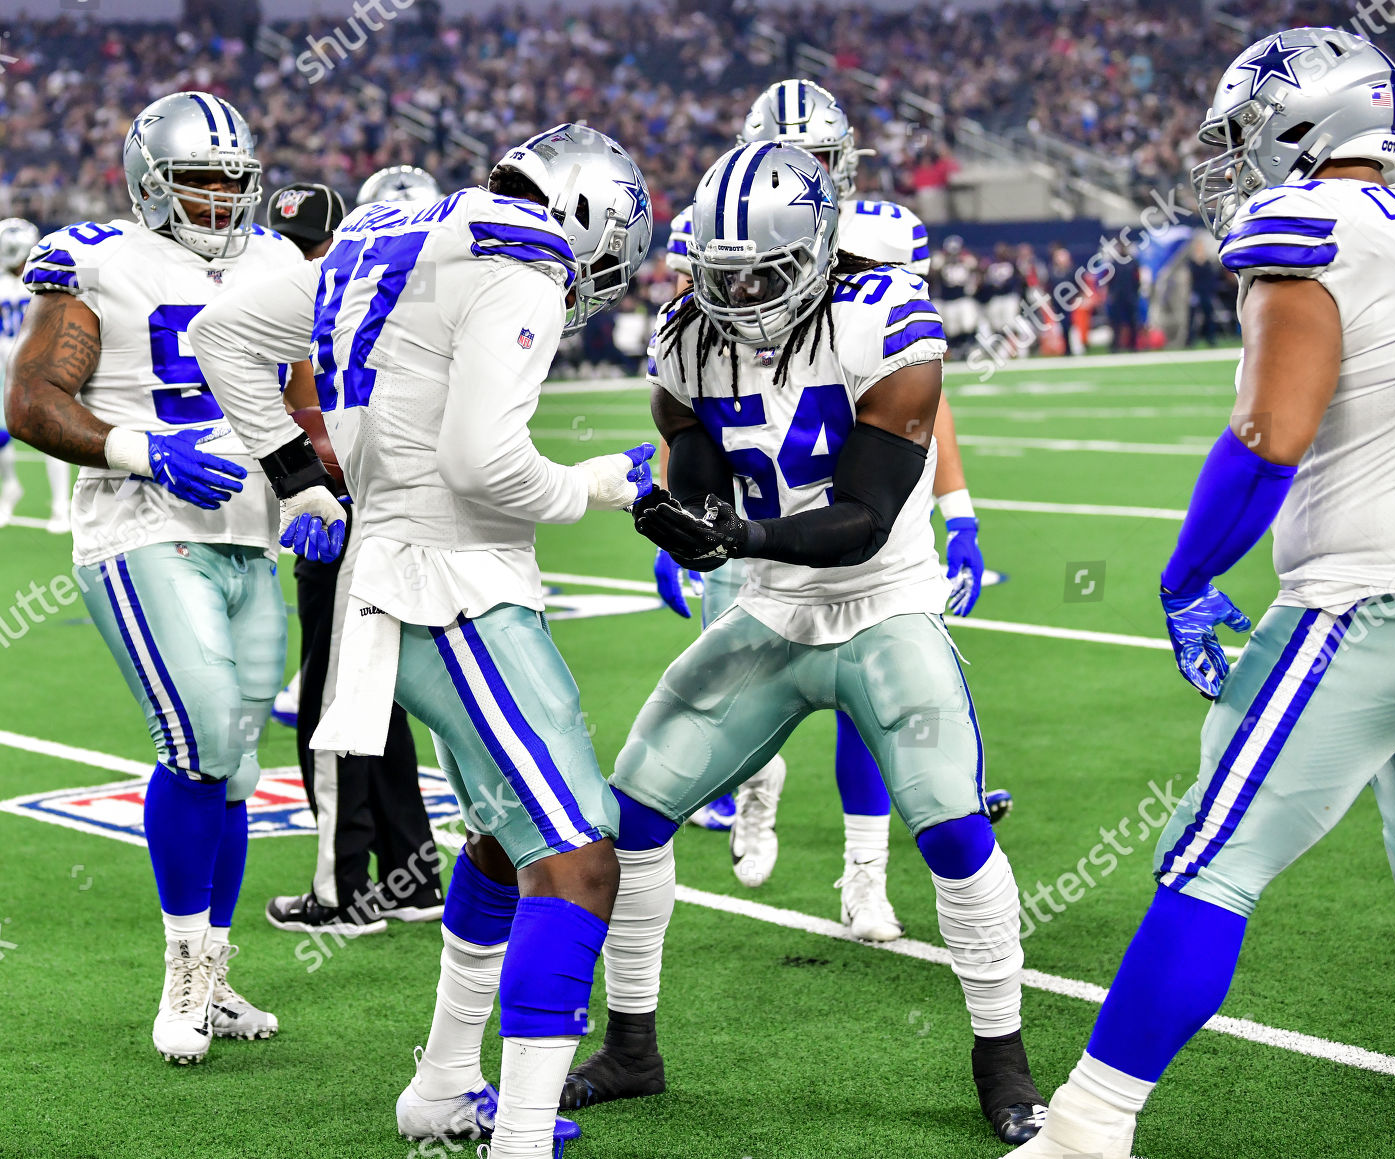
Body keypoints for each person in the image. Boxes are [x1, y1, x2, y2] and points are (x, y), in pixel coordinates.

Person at [1013, 29, 1395, 1158]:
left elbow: (1267, 436)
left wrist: (1187, 576)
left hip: (1371, 603)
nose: (1230, 160)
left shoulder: (1308, 231)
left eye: (1243, 134)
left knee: (1209, 858)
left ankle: (1086, 1127)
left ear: (1303, 124)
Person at [563, 141, 1046, 1145]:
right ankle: (633, 1043)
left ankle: (1003, 1054)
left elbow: (865, 514)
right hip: (772, 607)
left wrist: (741, 538)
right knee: (636, 809)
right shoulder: (687, 333)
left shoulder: (888, 319)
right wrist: (687, 517)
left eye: (760, 270)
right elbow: (699, 463)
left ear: (820, 251)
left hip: (881, 605)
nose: (736, 292)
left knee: (953, 825)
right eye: (719, 269)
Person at [188, 124, 656, 1155]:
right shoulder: (521, 259)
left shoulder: (390, 225)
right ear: (585, 216)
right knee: (580, 858)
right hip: (452, 584)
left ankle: (443, 1089)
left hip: (393, 562)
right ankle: (523, 1134)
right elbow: (485, 461)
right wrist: (596, 486)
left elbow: (220, 331)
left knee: (501, 839)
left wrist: (296, 472)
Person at [653, 79, 1000, 944]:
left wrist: (958, 508)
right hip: (756, 512)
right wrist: (676, 502)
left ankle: (863, 875)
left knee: (866, 705)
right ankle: (754, 797)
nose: (804, 175)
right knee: (738, 704)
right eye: (790, 156)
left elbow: (918, 400)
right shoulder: (712, 230)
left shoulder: (881, 250)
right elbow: (697, 385)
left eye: (821, 160)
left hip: (862, 528)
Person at [2, 91, 301, 1064]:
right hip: (141, 525)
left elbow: (304, 396)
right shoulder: (96, 256)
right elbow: (34, 399)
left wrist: (316, 492)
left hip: (251, 530)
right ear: (148, 182)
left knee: (239, 766)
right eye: (198, 180)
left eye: (233, 180)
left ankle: (215, 973)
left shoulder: (277, 260)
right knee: (203, 734)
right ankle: (179, 967)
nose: (219, 199)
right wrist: (141, 448)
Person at [253, 181, 448, 937]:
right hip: (406, 510)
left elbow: (314, 417)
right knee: (381, 696)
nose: (305, 260)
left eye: (314, 245)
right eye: (296, 245)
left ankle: (343, 890)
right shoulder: (424, 301)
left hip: (348, 510)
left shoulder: (330, 306)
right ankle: (414, 870)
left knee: (336, 702)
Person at [0, 217, 72, 531]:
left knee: (50, 433)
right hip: (5, 367)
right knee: (2, 436)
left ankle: (60, 505)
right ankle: (11, 488)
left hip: (42, 365)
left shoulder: (50, 275)